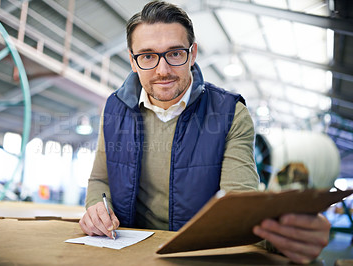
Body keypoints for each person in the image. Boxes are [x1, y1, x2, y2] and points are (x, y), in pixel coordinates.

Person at [79, 1, 331, 264]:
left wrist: (288, 232)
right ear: (132, 60)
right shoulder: (114, 109)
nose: (162, 70)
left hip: (198, 256)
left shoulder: (229, 112)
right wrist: (96, 207)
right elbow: (100, 179)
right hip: (129, 254)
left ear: (193, 53)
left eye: (175, 54)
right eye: (148, 56)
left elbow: (240, 204)